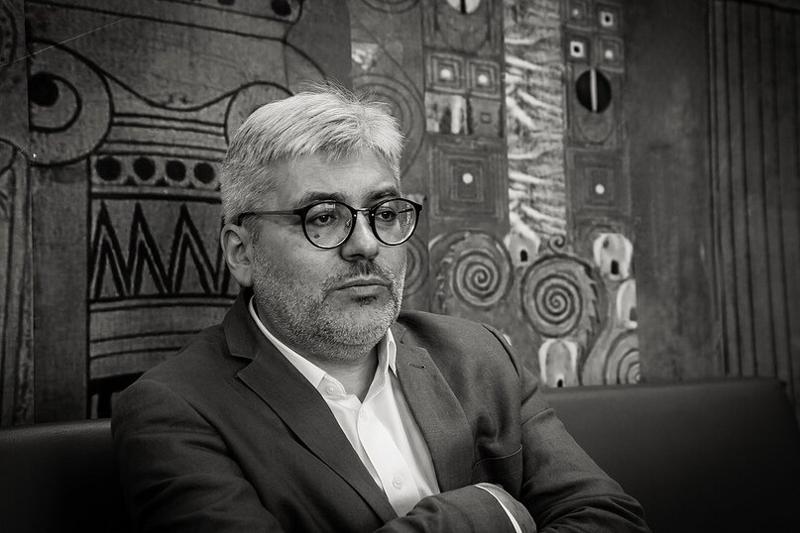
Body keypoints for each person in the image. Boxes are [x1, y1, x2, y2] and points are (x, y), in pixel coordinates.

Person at [112, 84, 650, 532]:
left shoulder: (479, 355)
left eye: (385, 212)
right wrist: (486, 512)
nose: (366, 245)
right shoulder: (174, 411)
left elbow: (610, 518)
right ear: (242, 252)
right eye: (323, 217)